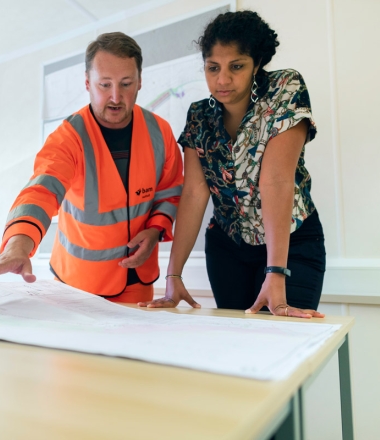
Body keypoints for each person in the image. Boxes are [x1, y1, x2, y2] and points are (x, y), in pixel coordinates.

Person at [0, 32, 184, 303]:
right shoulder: (68, 138)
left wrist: (156, 229)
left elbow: (169, 192)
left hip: (138, 280)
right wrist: (18, 246)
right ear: (87, 83)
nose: (115, 96)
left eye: (126, 84)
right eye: (104, 85)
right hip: (78, 285)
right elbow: (41, 191)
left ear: (140, 83)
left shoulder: (160, 132)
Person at [139, 11, 326, 319]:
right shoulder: (199, 115)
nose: (222, 79)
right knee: (237, 351)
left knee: (282, 343)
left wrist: (276, 271)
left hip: (291, 244)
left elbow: (275, 181)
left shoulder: (284, 89)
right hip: (227, 249)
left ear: (257, 64)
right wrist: (173, 276)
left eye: (236, 66)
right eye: (213, 68)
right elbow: (195, 193)